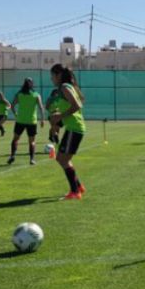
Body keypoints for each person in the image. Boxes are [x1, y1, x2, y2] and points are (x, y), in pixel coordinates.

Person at [49, 63, 87, 200]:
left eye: (52, 76)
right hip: (73, 128)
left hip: (74, 128)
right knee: (62, 158)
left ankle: (75, 191)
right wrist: (59, 116)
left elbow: (77, 105)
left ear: (58, 75)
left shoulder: (65, 87)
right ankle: (79, 187)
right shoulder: (66, 88)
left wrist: (60, 116)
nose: (51, 79)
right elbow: (78, 101)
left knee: (62, 159)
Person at [8, 78, 45, 165]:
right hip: (32, 121)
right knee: (32, 141)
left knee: (15, 139)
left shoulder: (19, 94)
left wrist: (16, 114)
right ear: (32, 84)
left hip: (20, 120)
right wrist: (42, 119)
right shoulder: (36, 95)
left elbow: (12, 106)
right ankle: (32, 159)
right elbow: (41, 107)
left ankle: (12, 156)